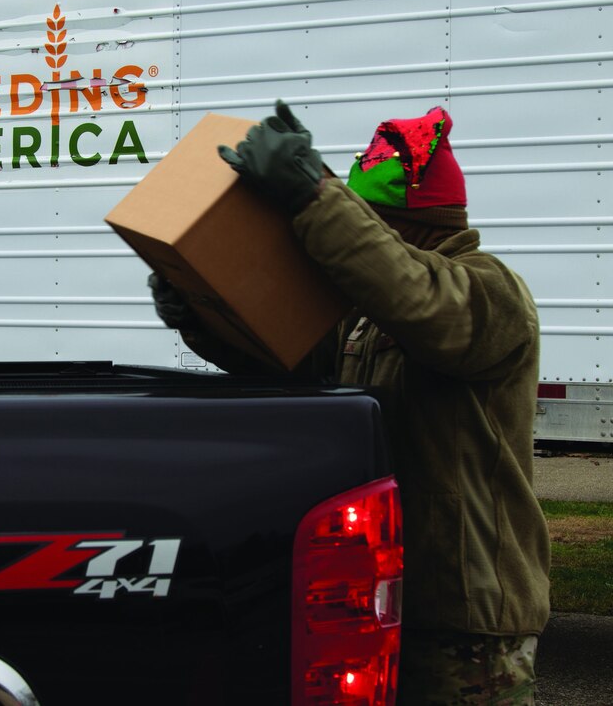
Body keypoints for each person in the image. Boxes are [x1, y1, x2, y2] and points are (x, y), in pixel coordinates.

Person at [150, 103, 551, 704]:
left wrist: (315, 194)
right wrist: (202, 317)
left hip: (468, 615)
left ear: (415, 228)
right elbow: (291, 363)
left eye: (371, 225)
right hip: (387, 594)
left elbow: (413, 295)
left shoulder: (488, 292)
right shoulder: (369, 317)